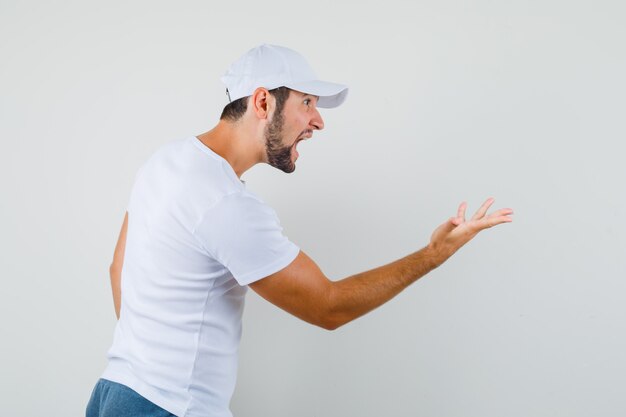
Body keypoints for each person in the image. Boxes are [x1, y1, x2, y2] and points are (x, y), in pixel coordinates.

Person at [86, 44, 514, 417]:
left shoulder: (165, 161)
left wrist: (150, 362)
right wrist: (432, 255)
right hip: (169, 409)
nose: (318, 121)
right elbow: (328, 307)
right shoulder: (225, 203)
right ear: (262, 103)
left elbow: (116, 270)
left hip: (113, 394)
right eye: (307, 103)